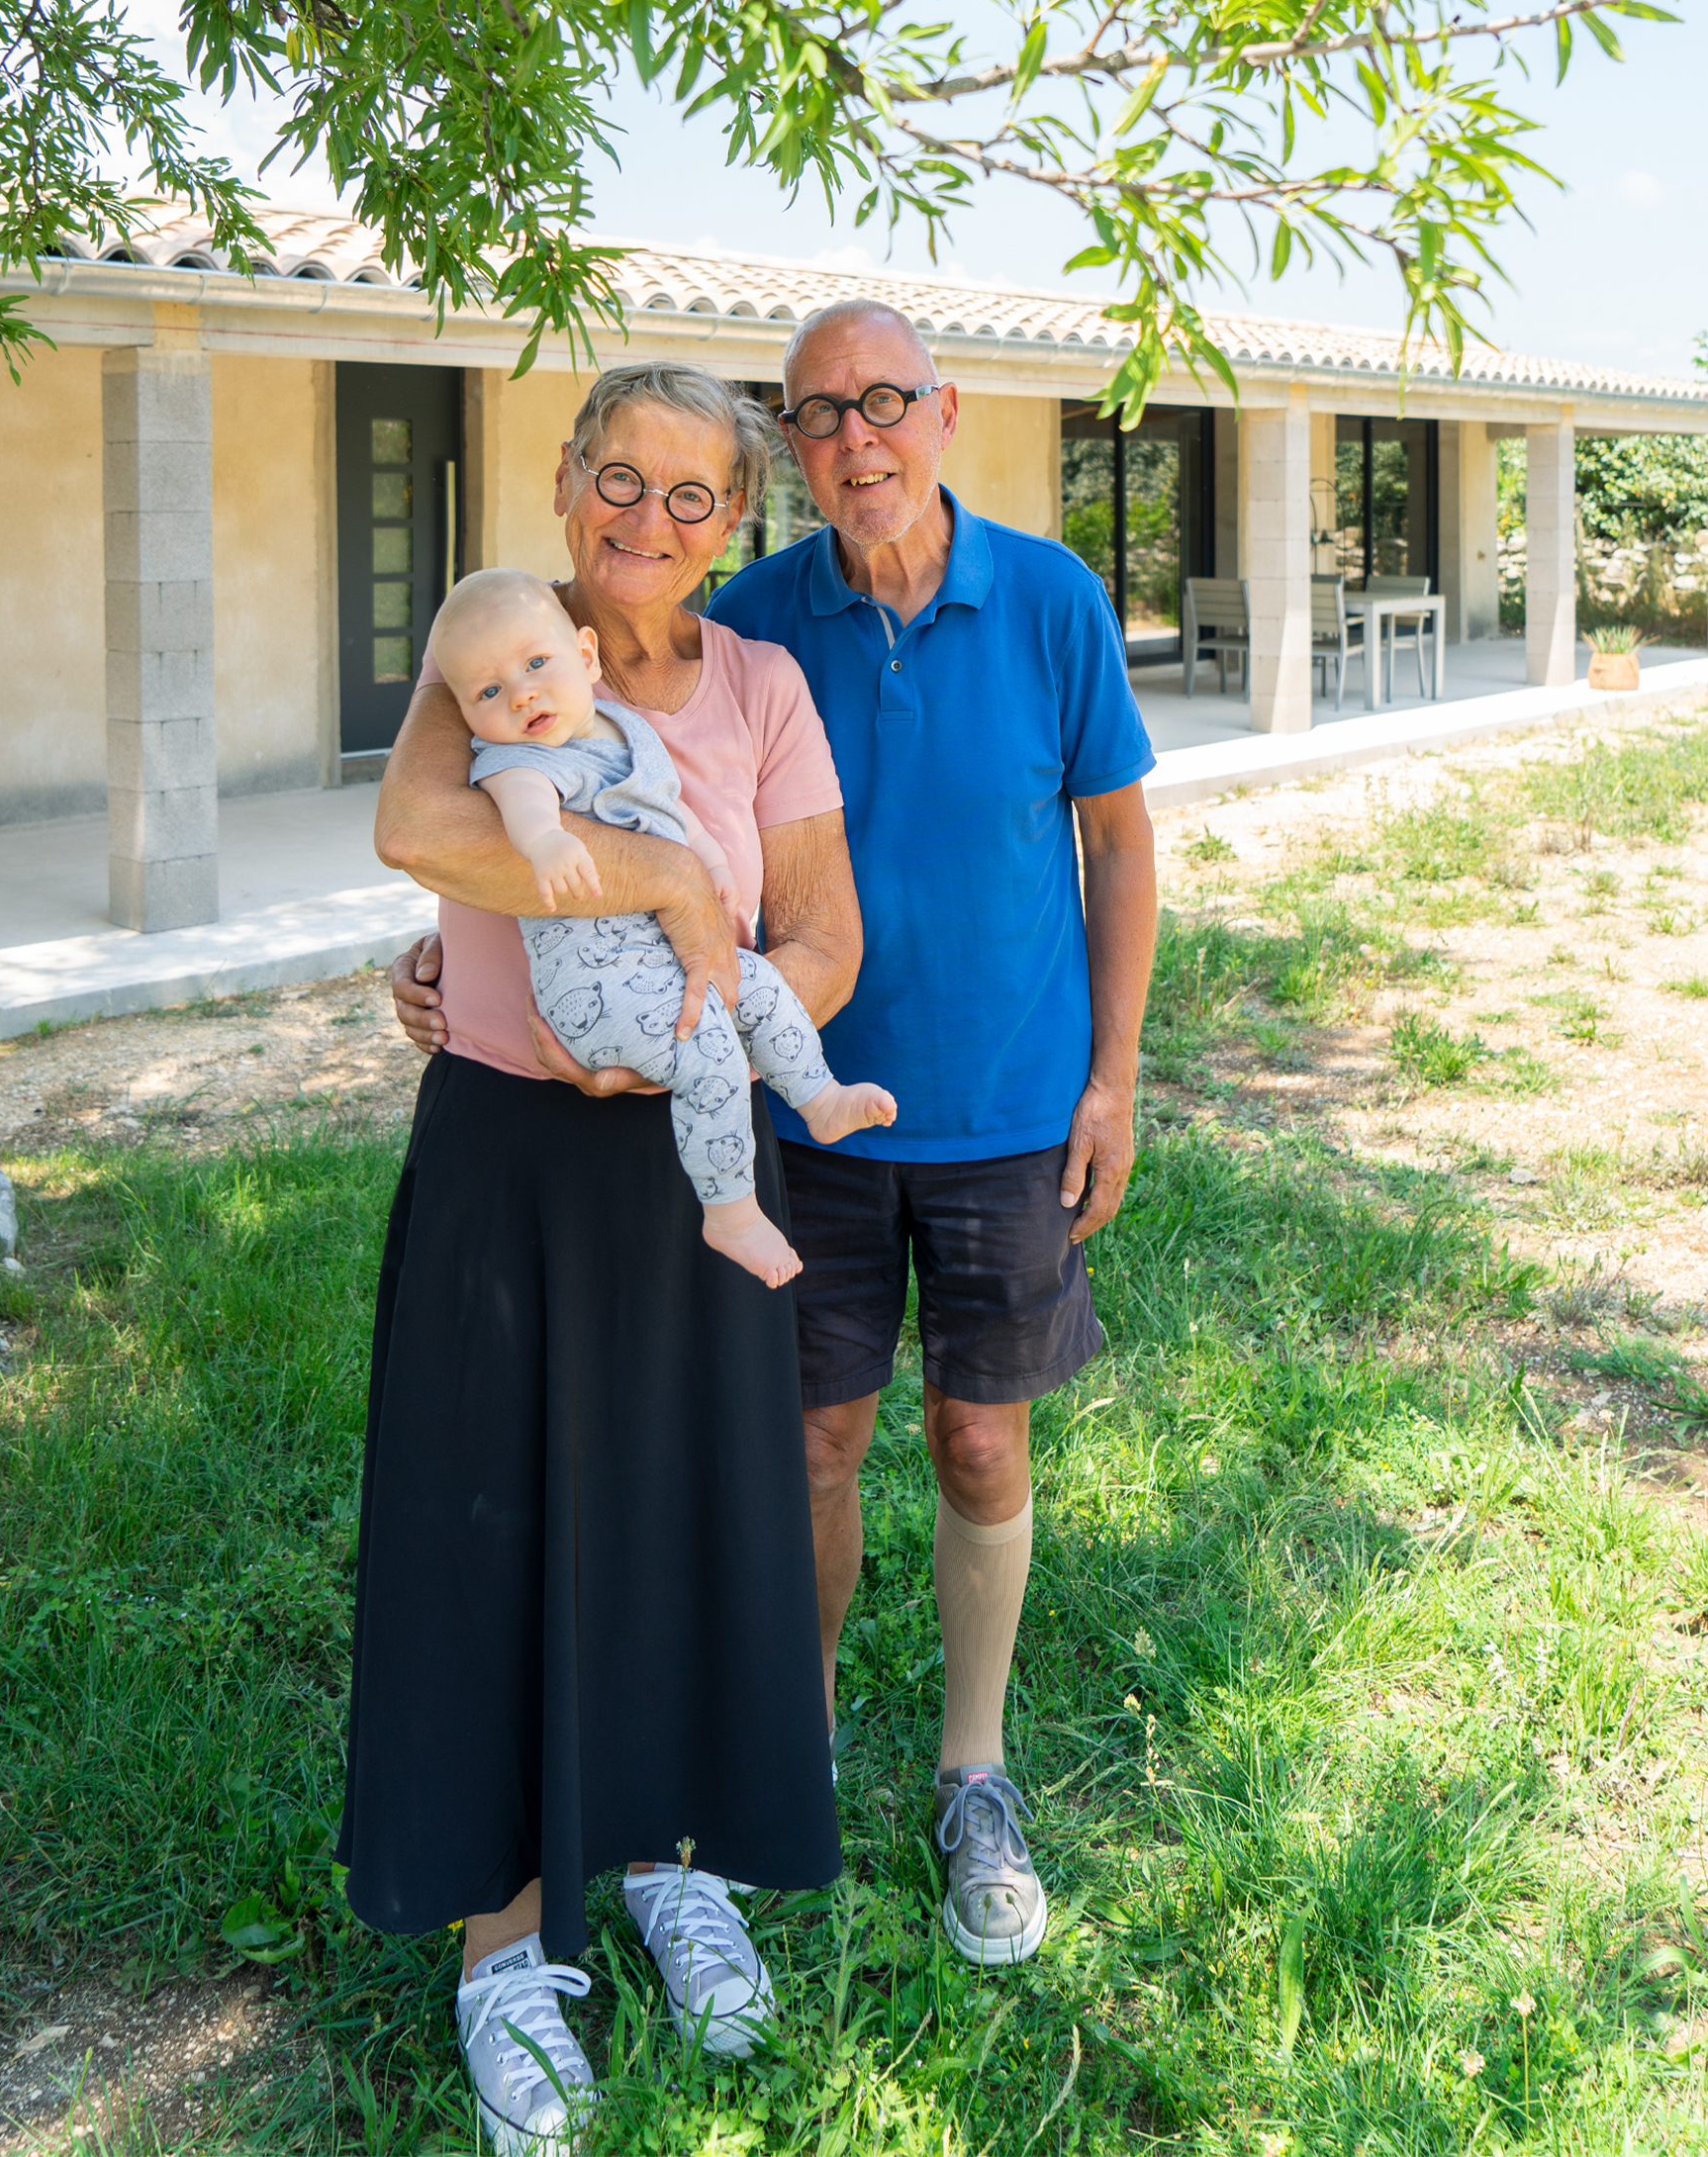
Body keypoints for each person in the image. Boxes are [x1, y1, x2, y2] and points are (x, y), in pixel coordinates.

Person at [395, 299, 1159, 1973]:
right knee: (743, 1470)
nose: (855, 438)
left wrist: (1111, 1076)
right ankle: (688, 1821)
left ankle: (928, 1779)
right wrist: (461, 956)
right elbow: (457, 815)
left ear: (941, 413)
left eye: (884, 403)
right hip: (661, 1136)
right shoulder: (630, 628)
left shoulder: (974, 616)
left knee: (915, 1455)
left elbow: (1070, 853)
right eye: (818, 416)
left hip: (928, 1111)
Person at [349, 363, 861, 2154]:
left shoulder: (765, 688)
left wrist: (692, 1011)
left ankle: (661, 1861)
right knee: (493, 1529)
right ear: (566, 483)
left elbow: (825, 941)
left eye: (694, 496)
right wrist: (661, 888)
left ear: (738, 524)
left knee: (676, 1521)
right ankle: (504, 1951)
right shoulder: (488, 643)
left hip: (693, 1159)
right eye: (619, 482)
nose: (650, 522)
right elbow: (420, 831)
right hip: (505, 1156)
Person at [432, 565, 896, 1284]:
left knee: (765, 988)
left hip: (668, 964)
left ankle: (819, 1096)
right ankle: (732, 1212)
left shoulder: (627, 732)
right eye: (488, 692)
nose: (521, 694)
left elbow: (672, 814)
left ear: (584, 659)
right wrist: (547, 842)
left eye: (536, 666)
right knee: (706, 1045)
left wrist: (706, 862)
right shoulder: (515, 758)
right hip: (596, 984)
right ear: (464, 712)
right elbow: (524, 808)